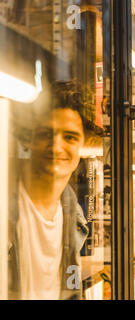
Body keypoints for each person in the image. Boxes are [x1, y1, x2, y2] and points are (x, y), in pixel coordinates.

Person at [8, 81, 93, 300]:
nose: (56, 147)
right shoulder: (3, 200)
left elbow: (70, 287)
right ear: (29, 139)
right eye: (46, 134)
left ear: (85, 145)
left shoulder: (73, 214)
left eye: (70, 137)